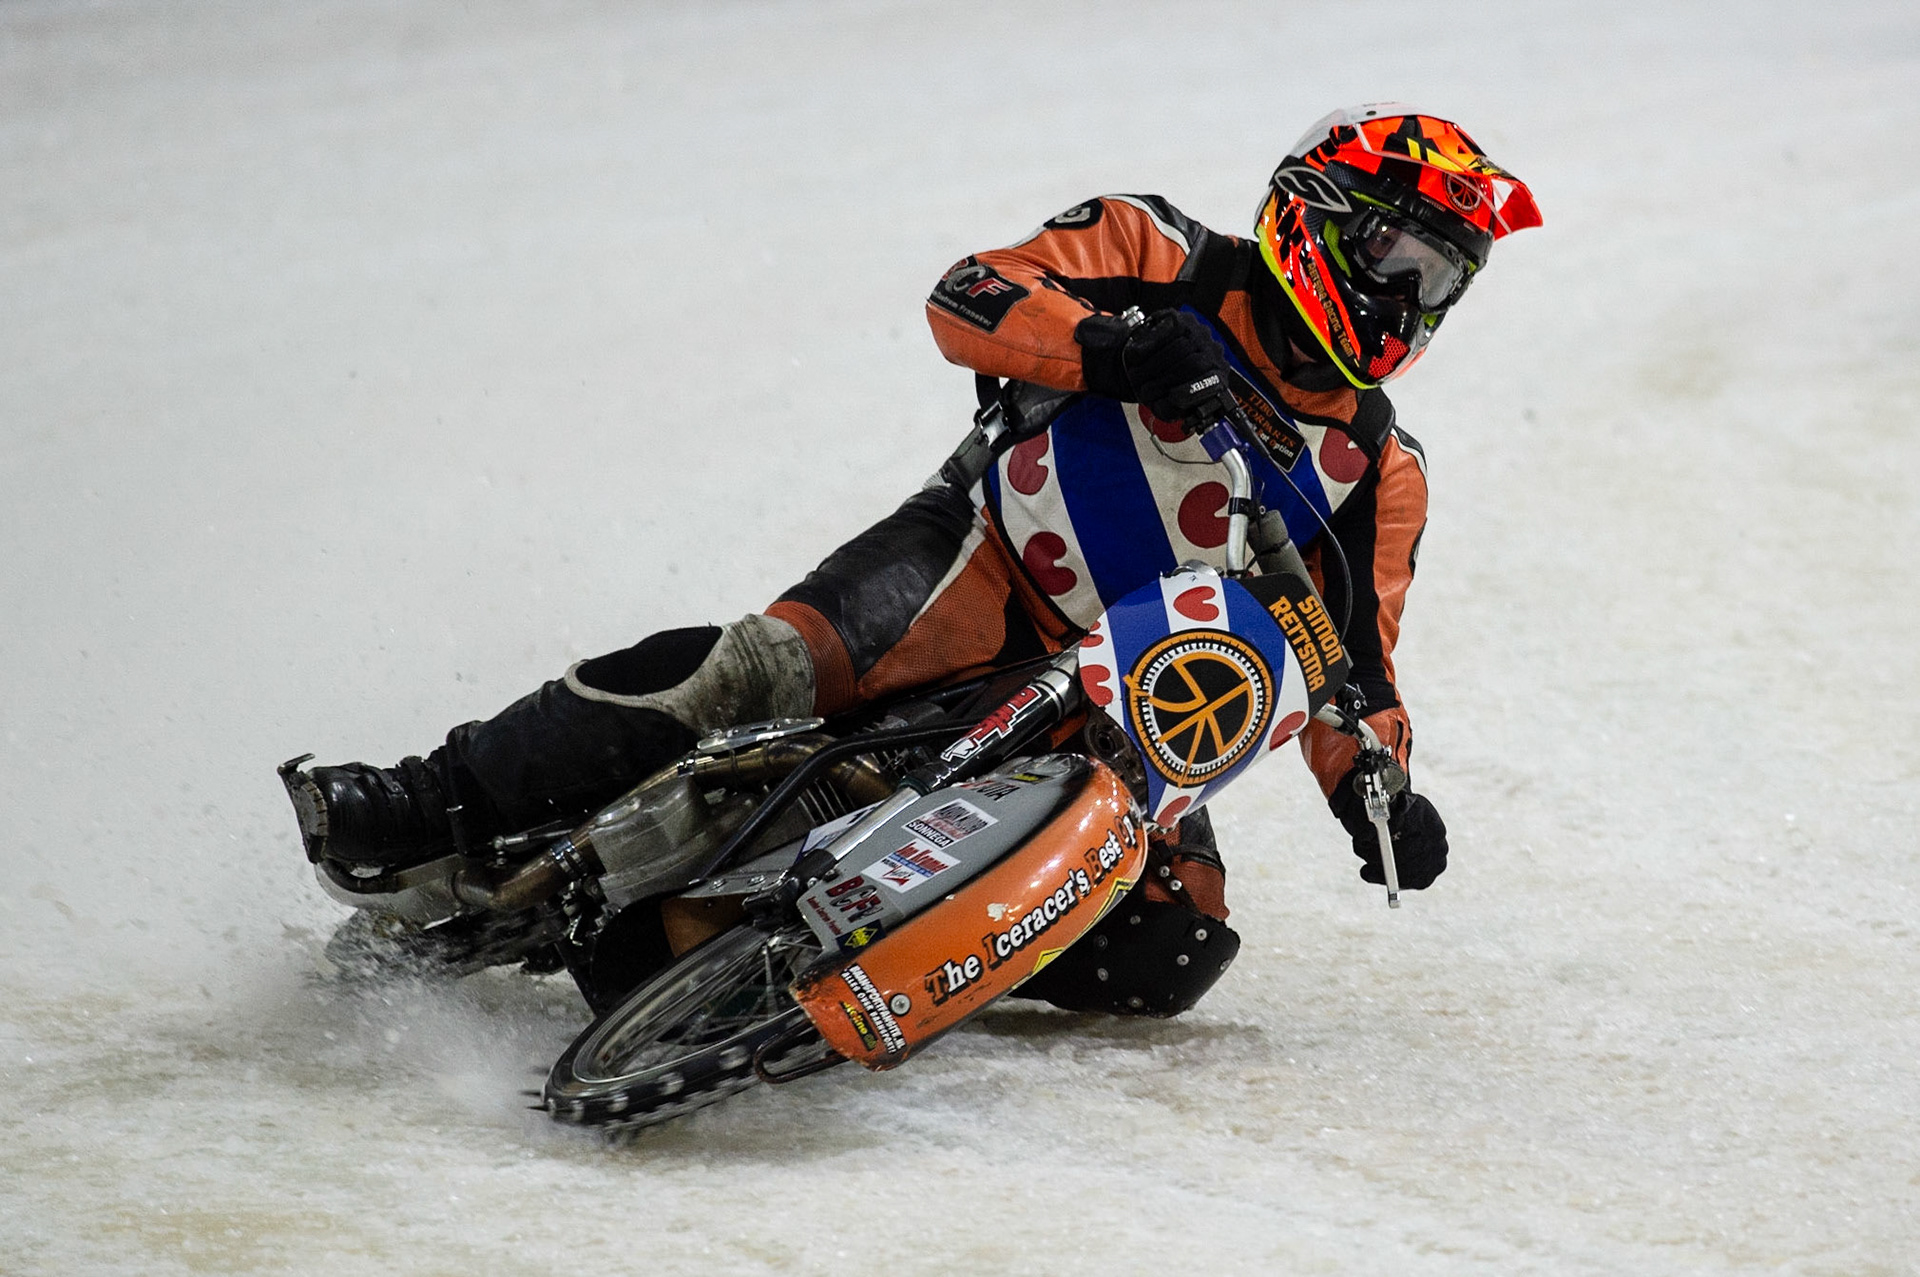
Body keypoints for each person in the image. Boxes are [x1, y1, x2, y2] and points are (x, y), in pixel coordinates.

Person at [284, 104, 1539, 1015]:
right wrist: (1112, 350)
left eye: (1444, 282)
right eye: (1401, 260)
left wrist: (1375, 792)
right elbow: (971, 293)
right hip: (979, 562)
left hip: (1133, 701)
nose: (1412, 302)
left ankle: (695, 944)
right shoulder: (1161, 249)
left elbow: (1352, 667)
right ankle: (424, 796)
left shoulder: (1384, 469)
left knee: (1170, 956)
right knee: (759, 671)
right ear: (1321, 218)